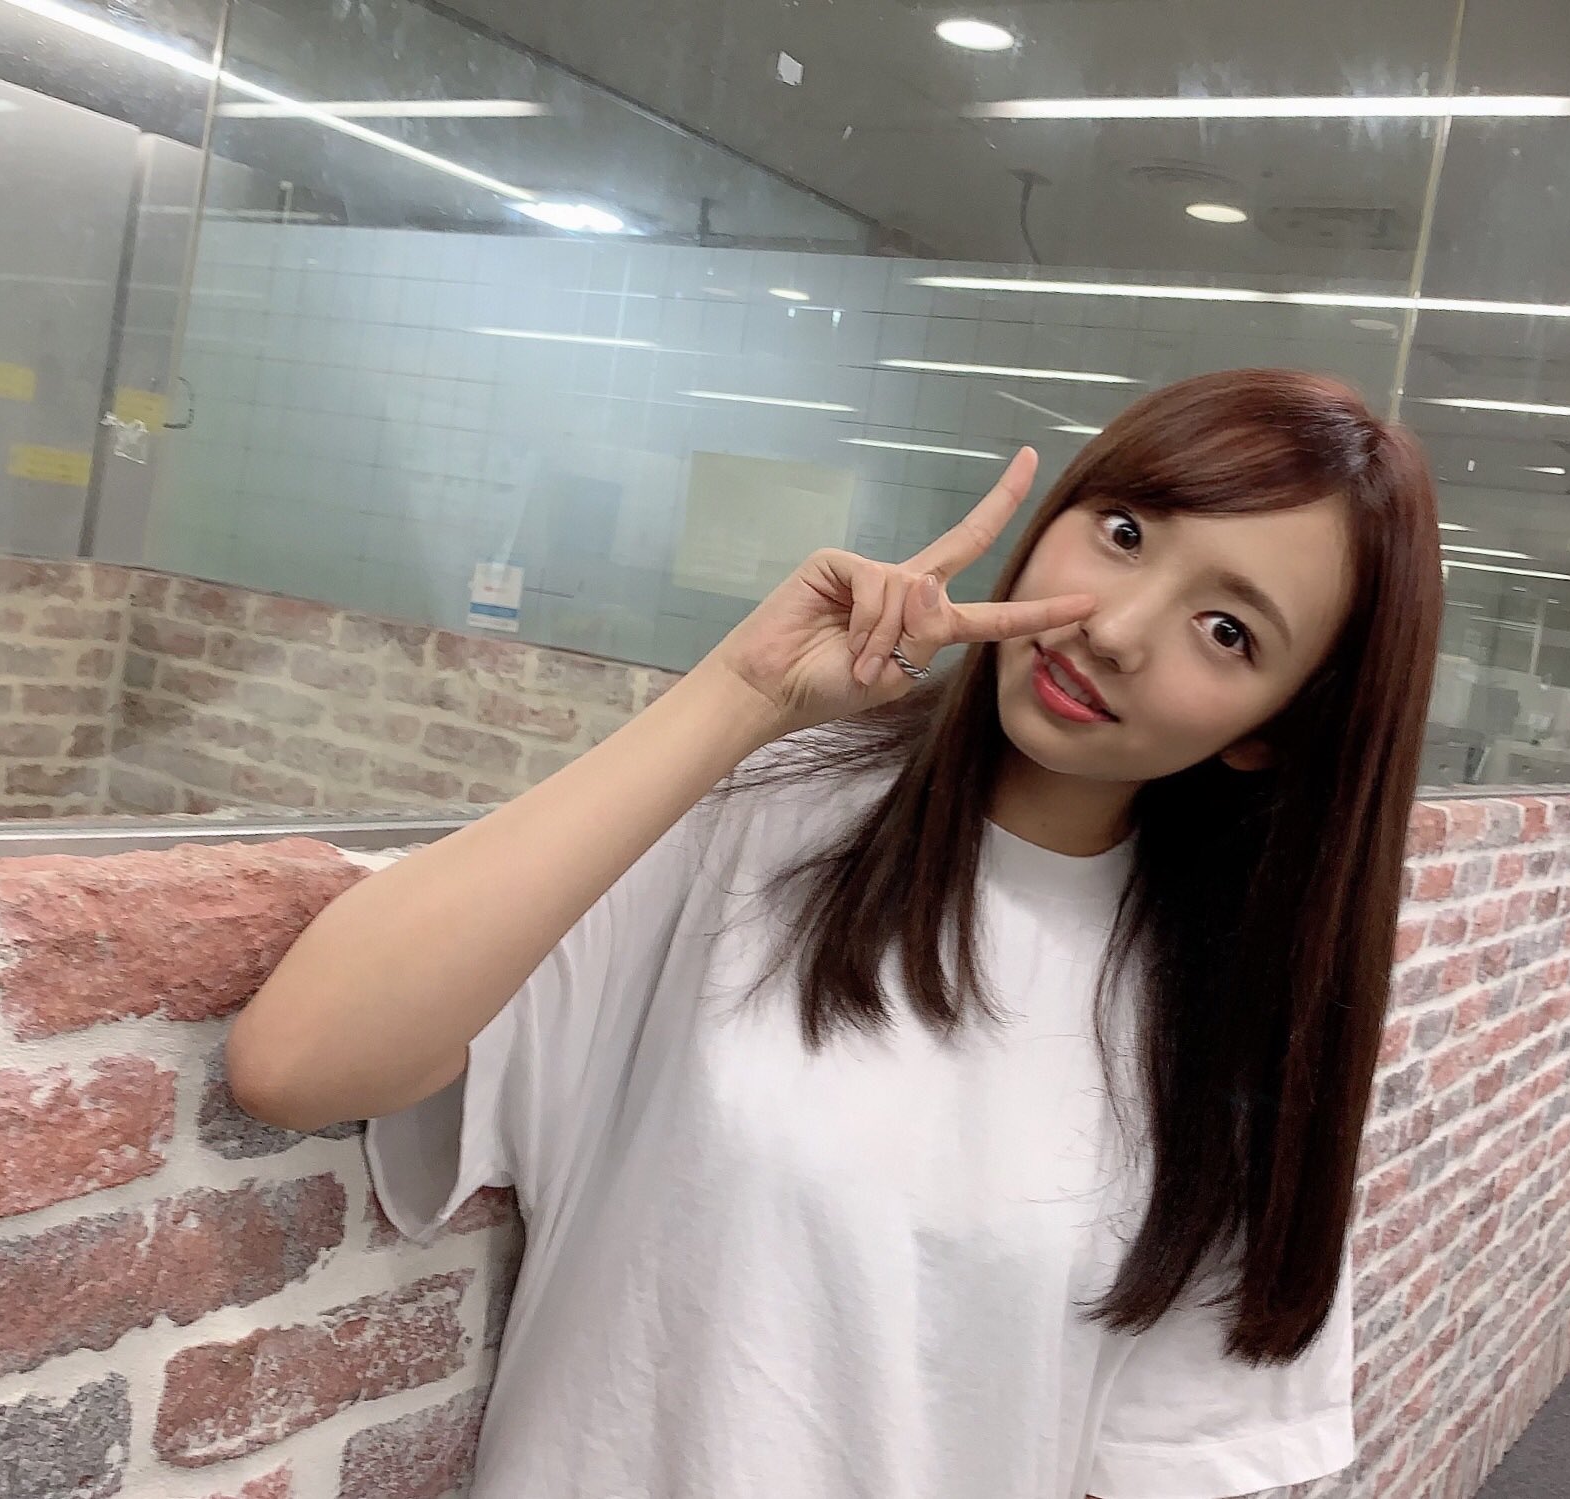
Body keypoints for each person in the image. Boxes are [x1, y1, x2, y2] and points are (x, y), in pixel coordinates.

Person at [227, 368, 1442, 1499]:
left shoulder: (1229, 1032)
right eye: (1124, 531)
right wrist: (743, 696)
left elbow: (1161, 1467)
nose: (1116, 627)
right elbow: (300, 1060)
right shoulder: (758, 817)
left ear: (1271, 730)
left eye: (1227, 630)